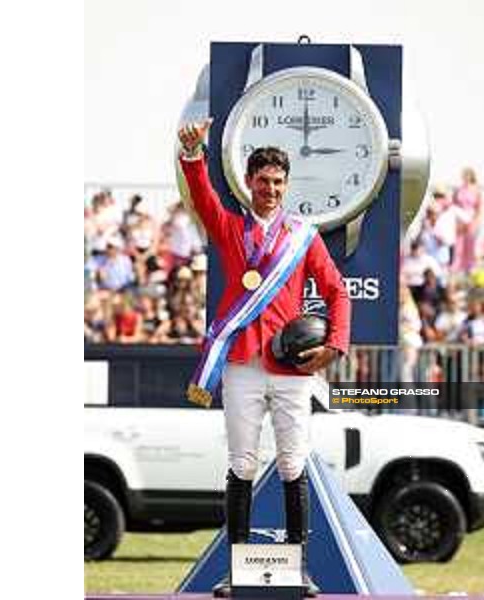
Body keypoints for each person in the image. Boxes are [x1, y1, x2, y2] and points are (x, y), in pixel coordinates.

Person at [177, 119, 351, 598]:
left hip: (292, 368)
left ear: (286, 185)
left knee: (294, 464)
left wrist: (333, 346)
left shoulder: (303, 237)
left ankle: (299, 571)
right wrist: (192, 155)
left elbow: (337, 290)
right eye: (263, 181)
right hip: (241, 365)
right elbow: (203, 195)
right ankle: (238, 572)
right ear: (249, 183)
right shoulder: (231, 228)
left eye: (278, 182)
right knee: (242, 463)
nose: (271, 189)